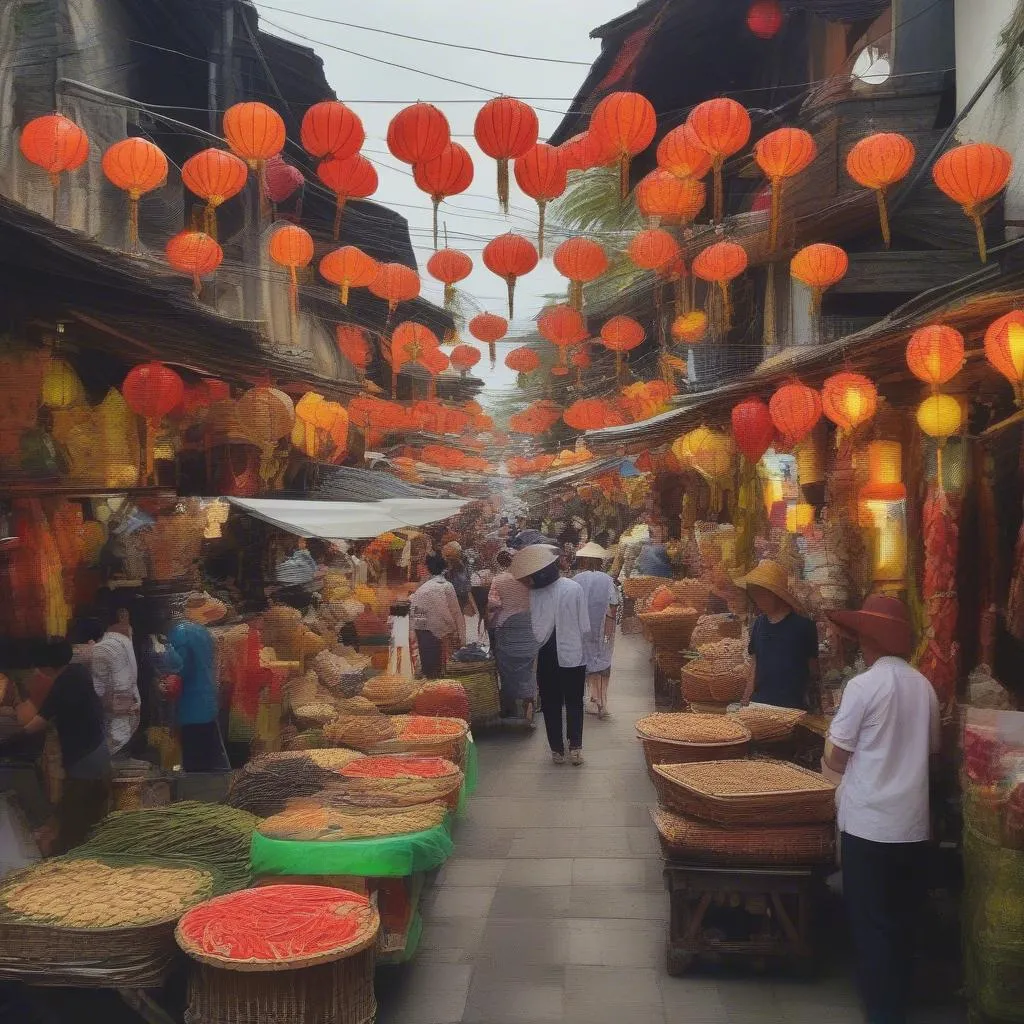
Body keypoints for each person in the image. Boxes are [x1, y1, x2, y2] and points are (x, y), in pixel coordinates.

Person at [823, 595, 940, 1024]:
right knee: (902, 920)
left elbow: (837, 757)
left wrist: (829, 746)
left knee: (870, 923)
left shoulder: (863, 686)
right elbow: (931, 751)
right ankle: (898, 1002)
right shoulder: (924, 687)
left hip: (869, 824)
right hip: (911, 824)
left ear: (867, 641)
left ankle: (882, 1011)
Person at [0, 640, 111, 852]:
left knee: (74, 817)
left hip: (85, 760)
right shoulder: (78, 673)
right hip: (97, 752)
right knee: (89, 813)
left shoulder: (65, 682)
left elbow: (39, 721)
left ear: (48, 666)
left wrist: (7, 745)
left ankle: (72, 855)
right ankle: (89, 850)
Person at [511, 545, 590, 766]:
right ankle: (575, 748)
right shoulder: (574, 588)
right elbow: (584, 625)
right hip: (573, 653)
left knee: (551, 703)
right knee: (575, 702)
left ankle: (557, 750)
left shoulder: (535, 594)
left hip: (547, 655)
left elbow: (535, 628)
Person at [736, 559, 819, 710]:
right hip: (759, 704)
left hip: (792, 708)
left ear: (775, 594)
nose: (757, 600)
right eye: (754, 595)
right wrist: (745, 699)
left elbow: (812, 670)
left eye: (761, 595)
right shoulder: (759, 624)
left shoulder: (803, 626)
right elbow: (755, 666)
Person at [164, 593, 230, 772]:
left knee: (194, 764)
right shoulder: (203, 633)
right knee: (207, 760)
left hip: (190, 708)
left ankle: (197, 793)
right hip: (207, 703)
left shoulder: (180, 634)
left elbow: (178, 669)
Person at [488, 548, 537, 721]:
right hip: (528, 626)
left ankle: (509, 705)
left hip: (507, 627)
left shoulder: (498, 580)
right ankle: (529, 699)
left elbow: (493, 605)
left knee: (506, 665)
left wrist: (489, 620)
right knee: (527, 664)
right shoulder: (529, 580)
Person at [573, 542, 620, 719]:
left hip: (583, 627)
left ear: (584, 560)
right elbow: (614, 603)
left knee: (588, 658)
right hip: (604, 628)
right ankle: (602, 701)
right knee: (604, 659)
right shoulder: (607, 579)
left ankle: (593, 699)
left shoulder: (577, 579)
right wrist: (610, 624)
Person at [90, 603, 140, 757]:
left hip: (116, 730)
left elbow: (121, 693)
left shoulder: (108, 647)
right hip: (123, 725)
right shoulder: (121, 642)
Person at [410, 553, 466, 679]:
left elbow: (417, 615)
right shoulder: (446, 586)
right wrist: (459, 634)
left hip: (423, 630)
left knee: (429, 669)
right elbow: (455, 612)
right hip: (439, 632)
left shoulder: (423, 588)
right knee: (442, 669)